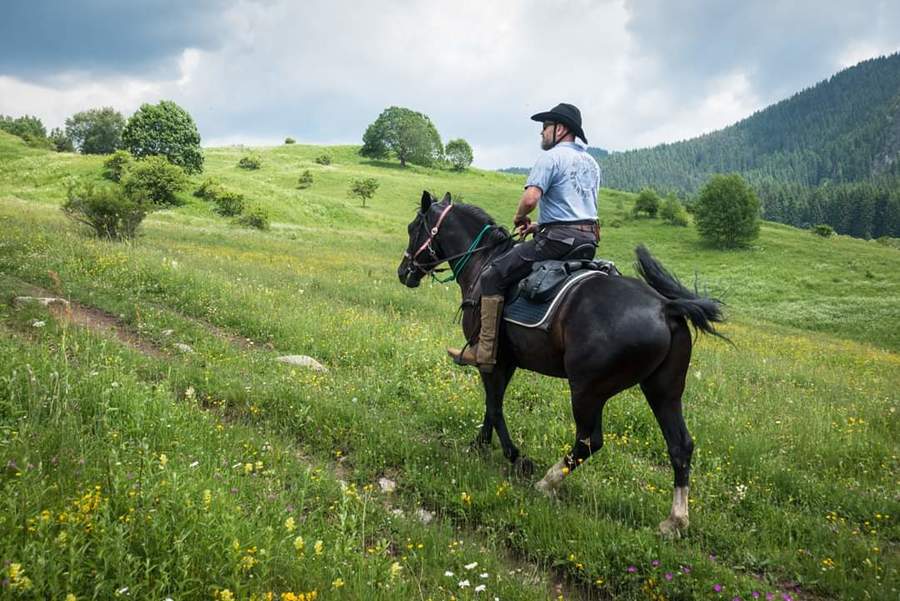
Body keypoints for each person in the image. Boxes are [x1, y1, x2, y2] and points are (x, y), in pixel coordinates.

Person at [448, 102, 602, 372]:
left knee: (492, 276)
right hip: (587, 242)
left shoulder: (551, 157)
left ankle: (483, 350)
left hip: (556, 242)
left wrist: (520, 217)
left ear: (561, 129)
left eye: (545, 128)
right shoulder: (592, 163)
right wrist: (540, 226)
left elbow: (531, 199)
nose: (541, 134)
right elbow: (576, 209)